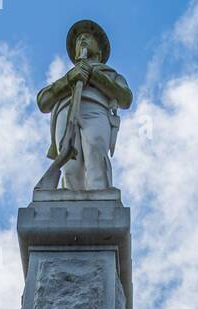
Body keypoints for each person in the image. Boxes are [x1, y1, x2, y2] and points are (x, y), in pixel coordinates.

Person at [36, 20, 133, 192]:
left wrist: (93, 74)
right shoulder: (70, 75)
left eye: (88, 37)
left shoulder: (110, 74)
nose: (82, 40)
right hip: (66, 112)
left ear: (100, 50)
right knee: (69, 164)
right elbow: (43, 101)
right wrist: (69, 80)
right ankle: (69, 200)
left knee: (95, 147)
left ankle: (100, 192)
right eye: (79, 39)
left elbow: (125, 98)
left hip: (96, 109)